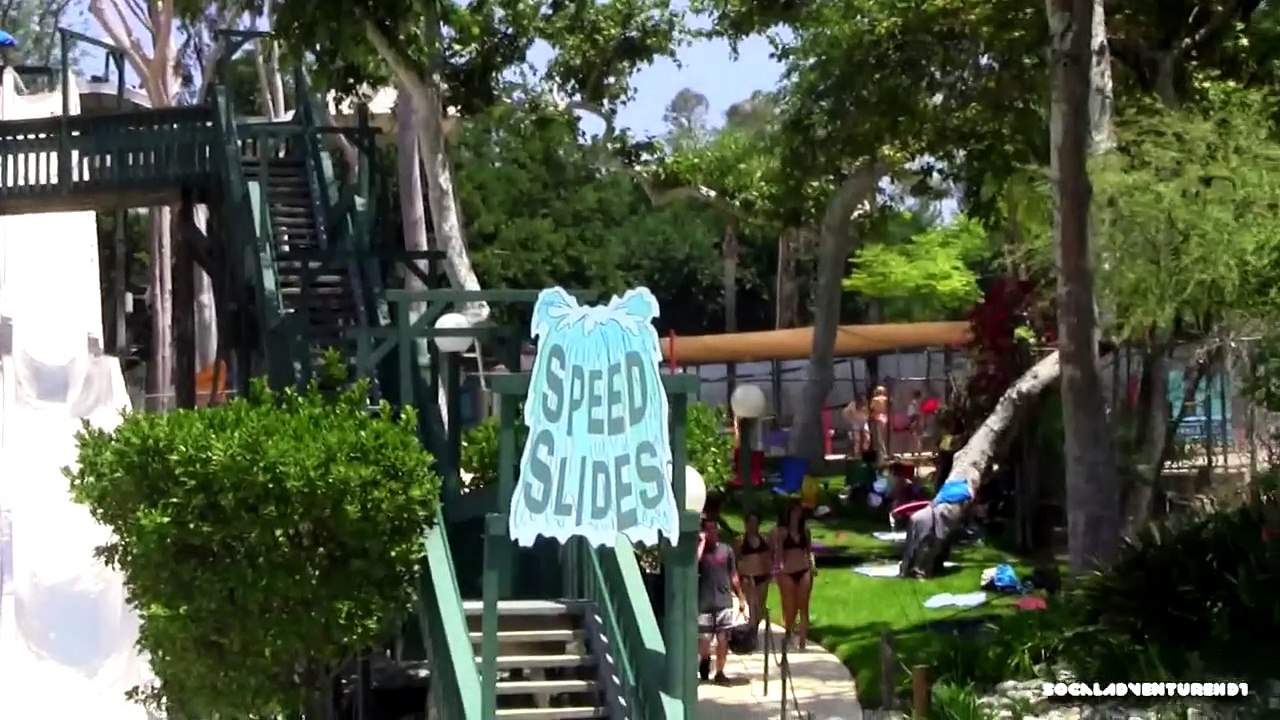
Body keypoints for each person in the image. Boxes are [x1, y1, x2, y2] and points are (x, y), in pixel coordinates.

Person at [697, 515, 747, 684]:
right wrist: (702, 543)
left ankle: (720, 672)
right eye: (707, 529)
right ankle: (705, 660)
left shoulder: (727, 550)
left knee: (723, 639)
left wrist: (741, 598)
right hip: (704, 602)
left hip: (723, 601)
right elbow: (694, 564)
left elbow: (734, 576)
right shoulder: (700, 551)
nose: (711, 532)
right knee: (704, 641)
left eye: (713, 529)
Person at [772, 501, 816, 650]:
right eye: (793, 513)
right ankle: (788, 631)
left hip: (804, 569)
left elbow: (809, 551)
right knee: (790, 606)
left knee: (804, 606)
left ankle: (802, 640)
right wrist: (778, 568)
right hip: (788, 571)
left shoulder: (805, 532)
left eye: (798, 513)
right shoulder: (782, 533)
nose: (796, 516)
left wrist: (812, 565)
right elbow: (779, 552)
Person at [734, 511, 774, 634]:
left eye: (755, 522)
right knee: (752, 606)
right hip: (748, 577)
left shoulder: (765, 540)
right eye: (750, 522)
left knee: (760, 610)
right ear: (746, 524)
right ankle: (752, 632)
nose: (752, 525)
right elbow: (736, 560)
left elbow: (770, 557)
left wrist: (770, 573)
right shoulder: (740, 541)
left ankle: (753, 629)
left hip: (762, 577)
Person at [870, 386, 891, 457]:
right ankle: (884, 451)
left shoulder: (874, 399)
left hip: (877, 417)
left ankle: (882, 452)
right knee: (884, 436)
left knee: (879, 437)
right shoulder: (886, 399)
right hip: (885, 417)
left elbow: (872, 408)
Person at [907, 390, 924, 454]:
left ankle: (915, 450)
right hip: (915, 419)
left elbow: (911, 413)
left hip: (914, 419)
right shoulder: (916, 403)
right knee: (917, 436)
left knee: (914, 436)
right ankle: (916, 450)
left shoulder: (913, 403)